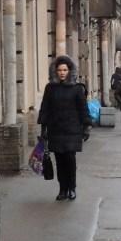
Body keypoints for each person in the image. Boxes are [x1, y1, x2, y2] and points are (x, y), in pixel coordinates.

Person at [38, 55, 93, 201]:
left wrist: (86, 127)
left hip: (72, 129)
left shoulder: (77, 88)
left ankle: (72, 188)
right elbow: (45, 109)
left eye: (65, 70)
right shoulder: (50, 88)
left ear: (70, 71)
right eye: (59, 70)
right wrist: (43, 129)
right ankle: (62, 189)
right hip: (55, 129)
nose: (62, 73)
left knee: (70, 159)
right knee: (59, 161)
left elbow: (83, 109)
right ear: (55, 71)